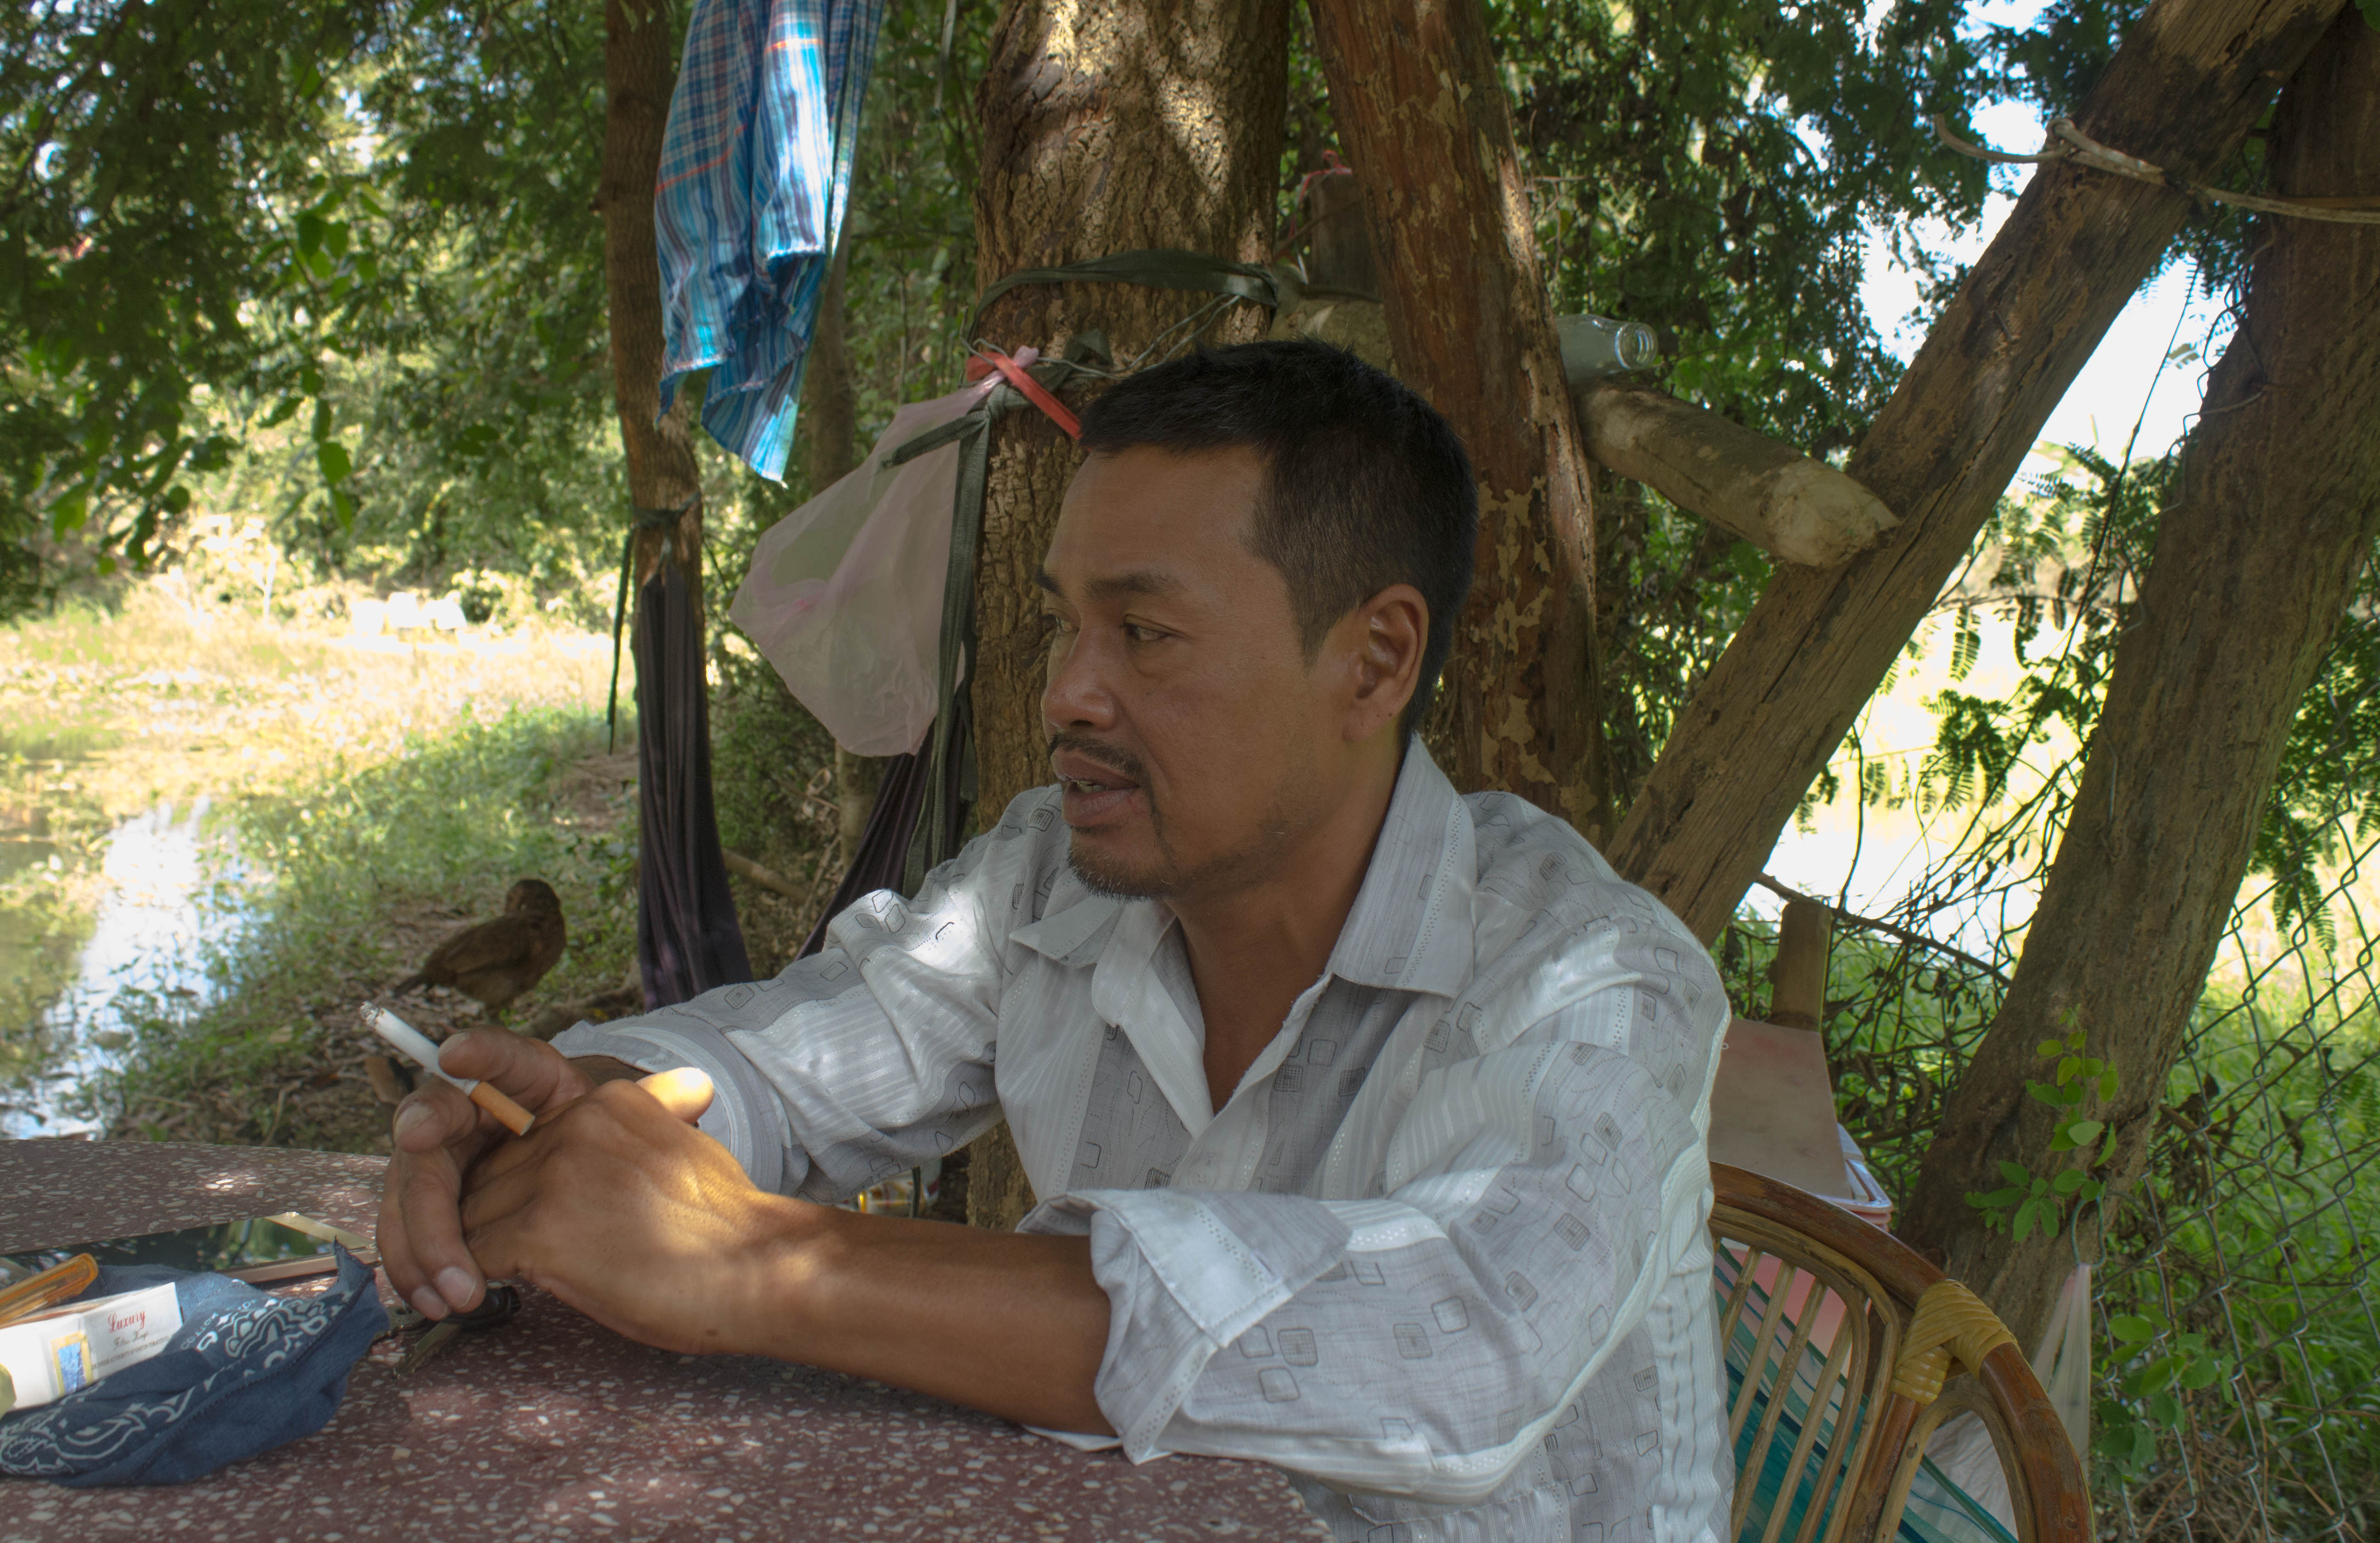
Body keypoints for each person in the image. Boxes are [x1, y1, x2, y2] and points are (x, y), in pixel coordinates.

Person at [380, 338, 1734, 1542]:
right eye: (1061, 625)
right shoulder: (1054, 878)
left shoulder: (1592, 980)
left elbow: (1459, 1351)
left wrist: (758, 1264)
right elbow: (801, 1056)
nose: (1066, 694)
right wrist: (586, 1116)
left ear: (1374, 662)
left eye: (1144, 633)